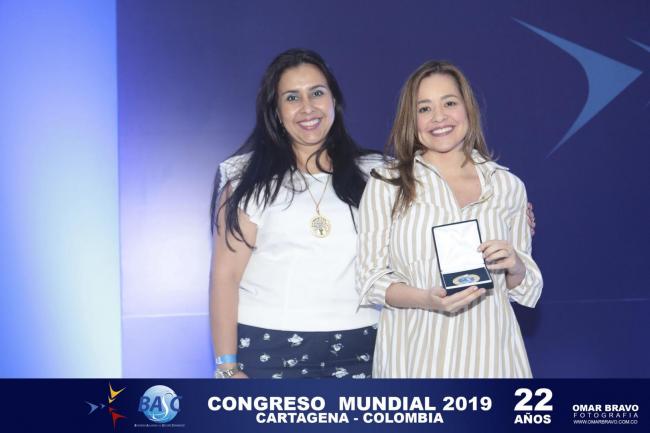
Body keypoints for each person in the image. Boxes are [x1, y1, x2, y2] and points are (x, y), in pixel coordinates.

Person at [357, 60, 543, 378]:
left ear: (468, 108)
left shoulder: (507, 186)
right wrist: (426, 299)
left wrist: (515, 264)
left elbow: (520, 289)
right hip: (414, 362)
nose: (439, 117)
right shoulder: (387, 183)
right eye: (424, 108)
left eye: (449, 103)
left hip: (492, 362)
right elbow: (370, 280)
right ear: (411, 119)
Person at [209, 49, 384, 379]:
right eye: (292, 97)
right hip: (268, 349)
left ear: (334, 100)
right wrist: (227, 368)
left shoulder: (376, 173)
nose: (307, 107)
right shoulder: (246, 180)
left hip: (362, 347)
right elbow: (224, 277)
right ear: (276, 111)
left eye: (317, 93)